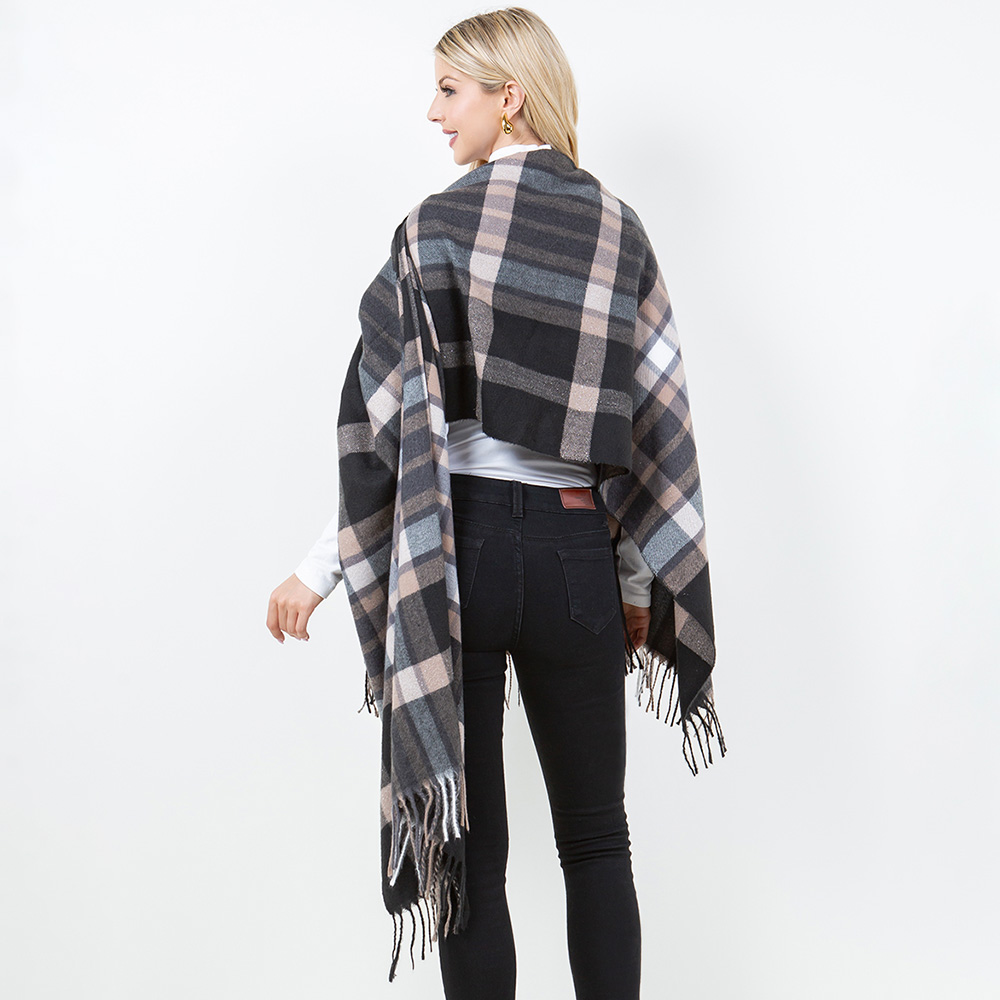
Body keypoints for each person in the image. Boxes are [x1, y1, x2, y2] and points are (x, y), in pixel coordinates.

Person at [266, 8, 724, 998]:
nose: (434, 113)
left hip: (458, 557)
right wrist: (634, 580)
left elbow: (385, 432)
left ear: (508, 96)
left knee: (470, 853)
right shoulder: (616, 230)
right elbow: (648, 423)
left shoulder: (432, 231)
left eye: (449, 90)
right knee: (597, 839)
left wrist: (319, 567)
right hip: (574, 561)